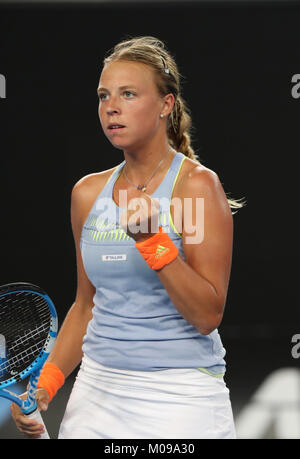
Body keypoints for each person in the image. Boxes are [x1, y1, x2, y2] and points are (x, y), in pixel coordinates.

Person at [11, 36, 244, 439]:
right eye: (104, 96)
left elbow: (207, 315)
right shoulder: (86, 194)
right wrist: (47, 385)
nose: (111, 107)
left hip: (181, 395)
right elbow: (86, 305)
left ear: (166, 106)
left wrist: (152, 241)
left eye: (129, 94)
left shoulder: (198, 187)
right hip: (96, 393)